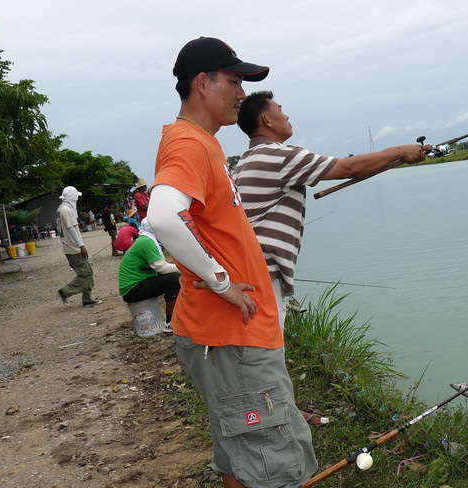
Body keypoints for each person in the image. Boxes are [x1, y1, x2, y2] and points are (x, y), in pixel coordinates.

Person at [147, 37, 317, 488]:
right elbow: (163, 216)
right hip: (232, 339)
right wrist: (221, 281)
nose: (242, 94)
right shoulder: (190, 143)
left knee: (238, 457)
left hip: (219, 337)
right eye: (235, 82)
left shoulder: (203, 143)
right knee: (274, 465)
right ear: (203, 83)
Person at [234, 90, 432, 328]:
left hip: (247, 273)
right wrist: (399, 151)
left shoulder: (245, 160)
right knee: (265, 353)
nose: (286, 116)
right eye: (280, 110)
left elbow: (352, 168)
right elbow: (349, 169)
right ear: (266, 120)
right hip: (263, 277)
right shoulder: (281, 157)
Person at [118, 218, 180, 326]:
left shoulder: (145, 239)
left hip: (133, 287)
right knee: (174, 279)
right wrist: (184, 269)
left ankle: (174, 317)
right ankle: (170, 322)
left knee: (173, 277)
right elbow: (161, 267)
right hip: (132, 289)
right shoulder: (147, 242)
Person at [56, 186, 102, 307]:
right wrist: (81, 246)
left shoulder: (63, 208)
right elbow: (71, 229)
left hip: (73, 247)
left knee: (88, 272)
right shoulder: (66, 210)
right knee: (84, 275)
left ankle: (87, 299)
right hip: (73, 248)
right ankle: (65, 292)